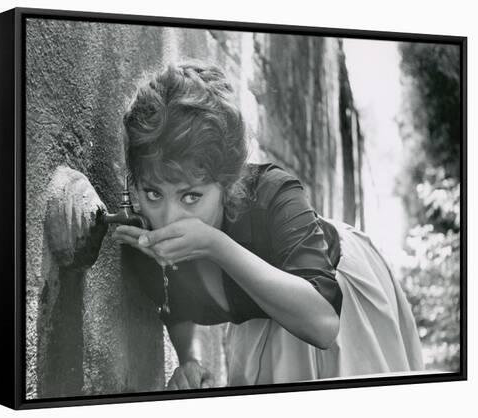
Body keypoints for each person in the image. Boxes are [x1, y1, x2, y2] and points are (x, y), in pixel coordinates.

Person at [65, 61, 424, 389]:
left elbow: (324, 324)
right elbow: (174, 301)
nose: (169, 218)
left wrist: (214, 246)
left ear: (227, 184)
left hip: (334, 298)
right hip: (263, 326)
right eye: (154, 193)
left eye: (191, 197)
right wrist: (189, 359)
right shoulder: (143, 237)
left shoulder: (271, 194)